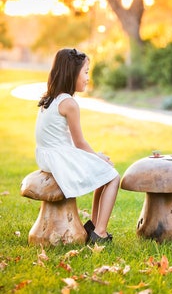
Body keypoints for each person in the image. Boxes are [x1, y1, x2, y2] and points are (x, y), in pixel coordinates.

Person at [35, 48, 120, 244]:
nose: (88, 77)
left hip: (47, 155)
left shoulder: (50, 98)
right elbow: (80, 143)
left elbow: (67, 139)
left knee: (103, 175)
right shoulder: (69, 103)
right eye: (86, 72)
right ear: (72, 74)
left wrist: (95, 157)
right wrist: (97, 157)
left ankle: (93, 226)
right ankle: (100, 232)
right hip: (58, 158)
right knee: (113, 176)